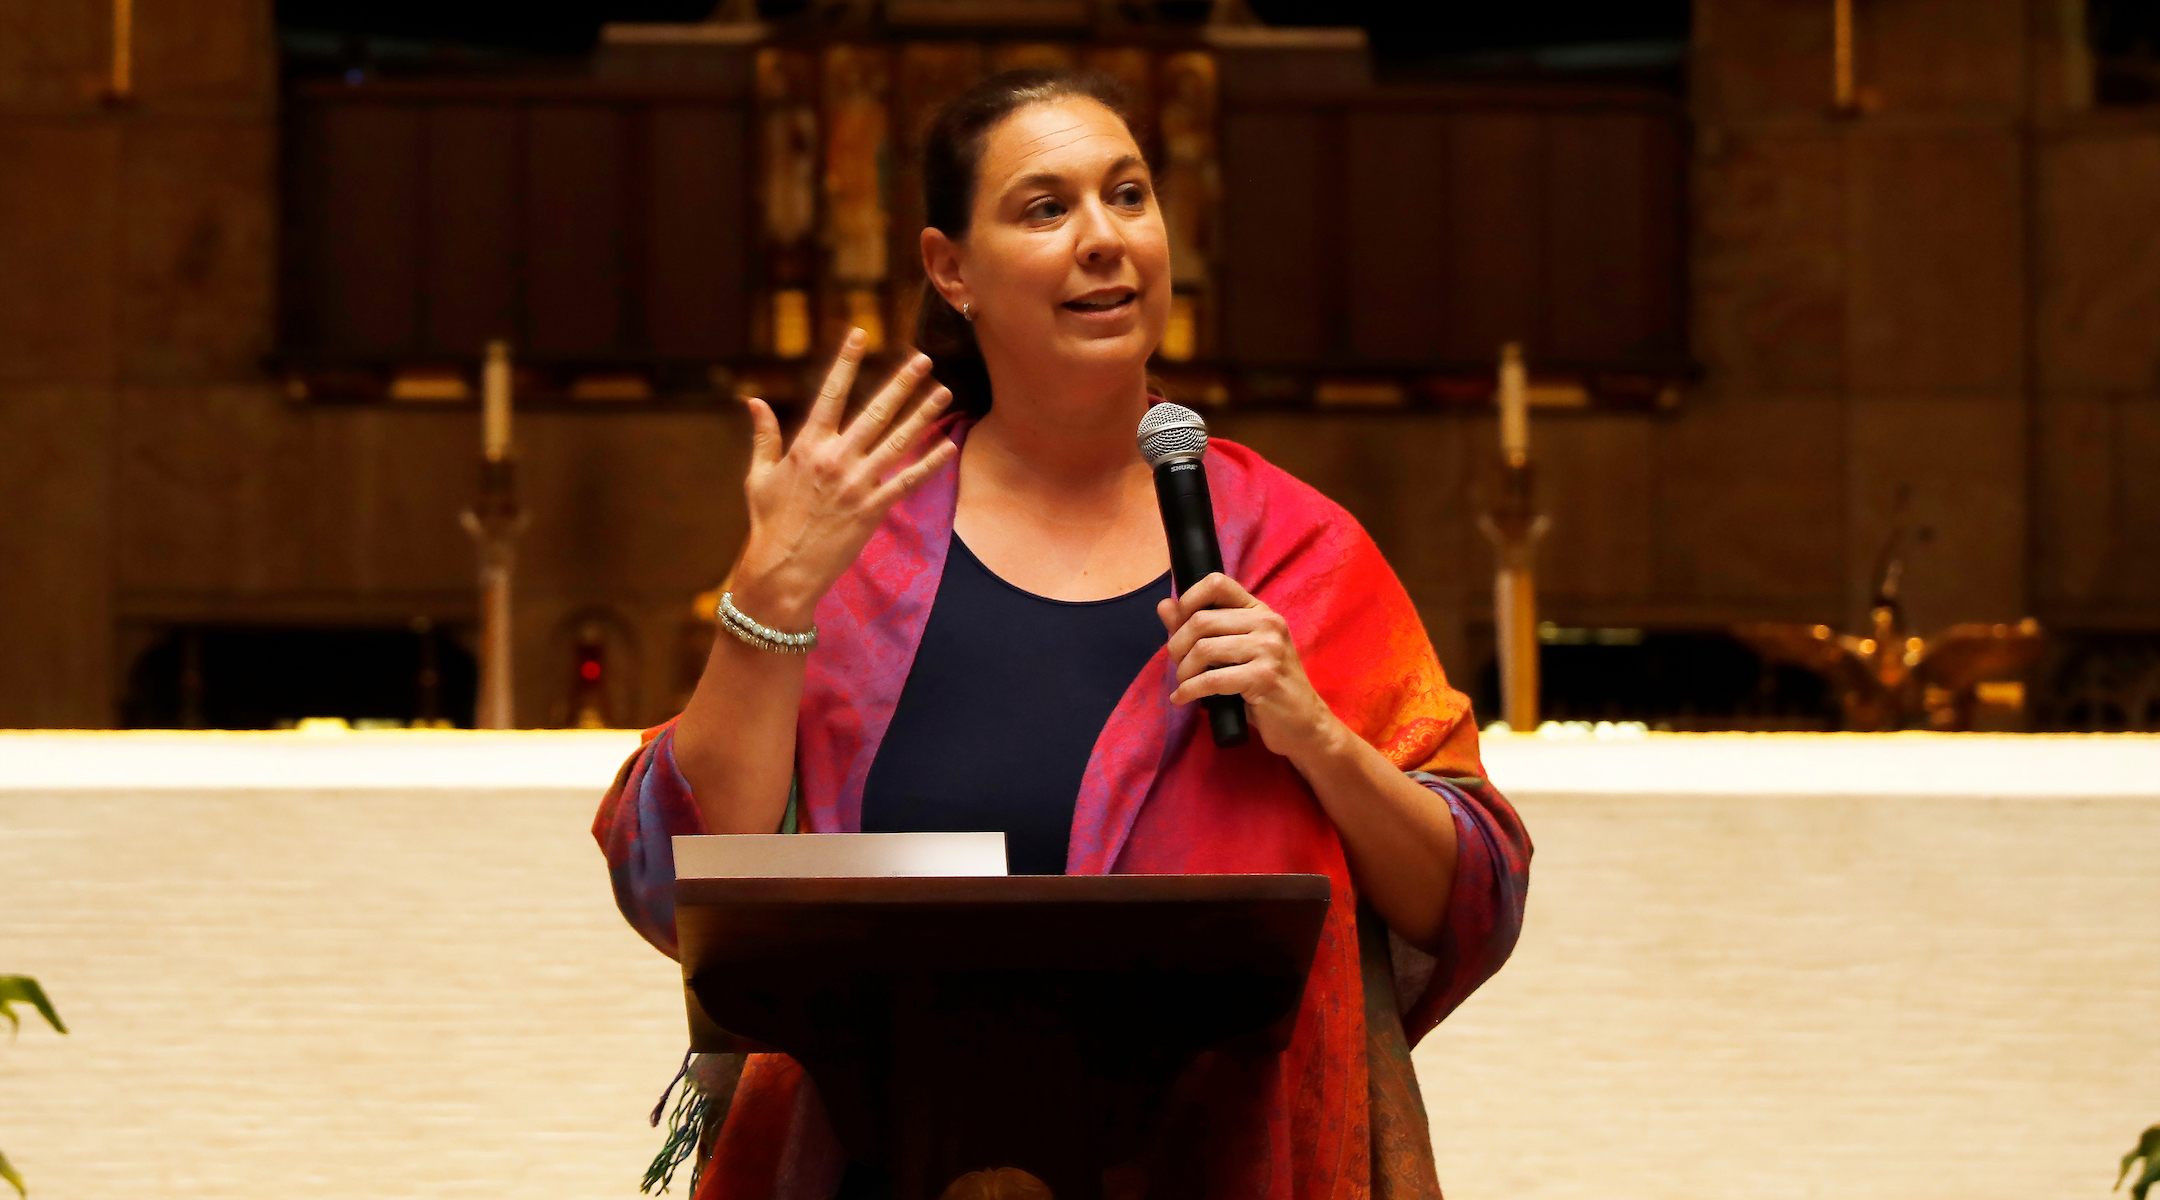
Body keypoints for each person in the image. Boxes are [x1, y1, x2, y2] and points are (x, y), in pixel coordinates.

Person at [594, 68, 1530, 1200]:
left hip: (1215, 1165)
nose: (1106, 238)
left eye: (1129, 195)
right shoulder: (861, 550)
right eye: (1046, 208)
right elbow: (680, 878)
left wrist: (1320, 739)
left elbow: (1471, 891)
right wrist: (767, 603)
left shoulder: (1291, 546)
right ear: (952, 269)